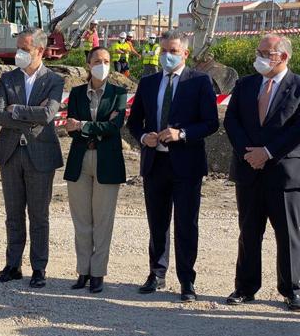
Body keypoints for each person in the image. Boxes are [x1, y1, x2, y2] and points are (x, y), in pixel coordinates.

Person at [126, 30, 219, 302]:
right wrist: (144, 137)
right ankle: (157, 273)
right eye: (164, 50)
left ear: (185, 54)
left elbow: (211, 123)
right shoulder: (148, 82)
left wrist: (183, 133)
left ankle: (187, 280)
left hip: (187, 164)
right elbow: (134, 123)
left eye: (173, 51)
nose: (167, 55)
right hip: (155, 163)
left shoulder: (200, 81)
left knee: (186, 224)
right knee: (157, 222)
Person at [224, 34, 300, 311]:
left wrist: (267, 152)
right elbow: (231, 120)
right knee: (249, 232)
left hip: (283, 172)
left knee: (288, 233)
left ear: (284, 57)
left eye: (266, 52)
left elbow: (296, 129)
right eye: (259, 51)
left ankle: (293, 289)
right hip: (248, 170)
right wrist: (249, 152)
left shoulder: (298, 86)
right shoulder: (245, 84)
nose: (260, 57)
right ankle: (245, 287)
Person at [0, 28, 64, 288]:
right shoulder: (7, 79)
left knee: (38, 215)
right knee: (13, 214)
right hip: (10, 154)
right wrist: (31, 113)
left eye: (25, 48)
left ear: (40, 51)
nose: (18, 53)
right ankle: (13, 265)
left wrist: (17, 110)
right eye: (18, 48)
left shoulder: (54, 80)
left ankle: (39, 268)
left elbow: (48, 116)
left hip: (41, 155)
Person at [64, 46, 127, 293]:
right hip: (80, 160)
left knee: (103, 221)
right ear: (88, 64)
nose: (103, 64)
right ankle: (83, 271)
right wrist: (89, 126)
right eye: (98, 60)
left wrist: (83, 125)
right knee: (82, 221)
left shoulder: (118, 93)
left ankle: (98, 272)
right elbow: (70, 126)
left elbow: (115, 127)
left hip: (107, 162)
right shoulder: (78, 93)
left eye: (107, 60)